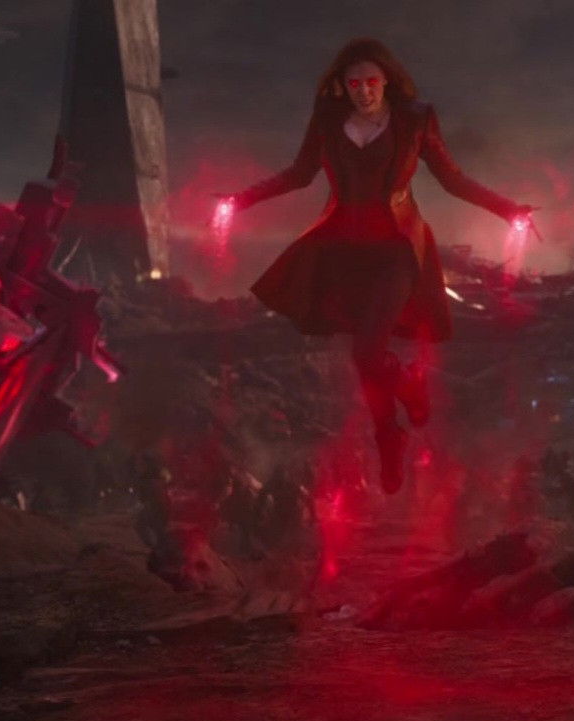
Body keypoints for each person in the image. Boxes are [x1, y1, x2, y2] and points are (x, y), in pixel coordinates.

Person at [223, 38, 532, 494]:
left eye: (371, 81)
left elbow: (452, 178)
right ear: (343, 86)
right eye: (354, 84)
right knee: (366, 356)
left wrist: (508, 209)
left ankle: (403, 401)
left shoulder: (415, 119)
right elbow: (299, 174)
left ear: (386, 81)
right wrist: (240, 200)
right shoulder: (328, 120)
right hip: (343, 251)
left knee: (367, 352)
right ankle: (390, 434)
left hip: (396, 250)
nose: (364, 90)